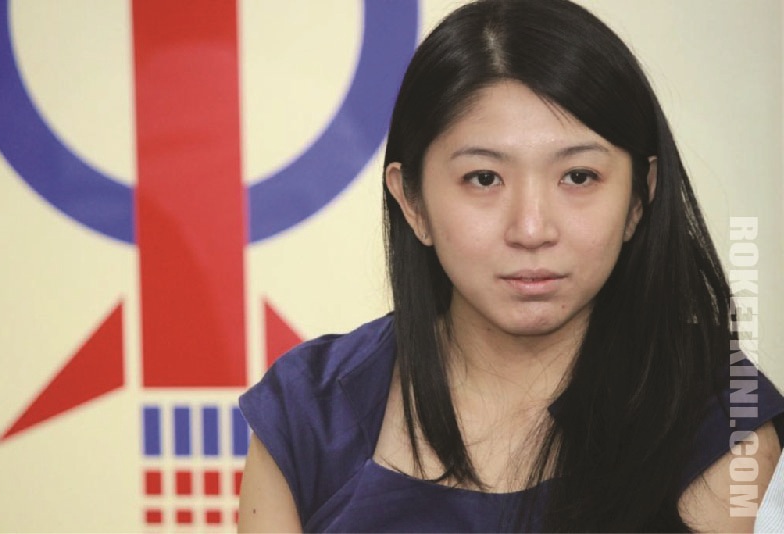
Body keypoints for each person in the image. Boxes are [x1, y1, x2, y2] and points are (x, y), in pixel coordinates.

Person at [237, 0, 784, 531]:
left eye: (578, 177)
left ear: (640, 197)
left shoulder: (720, 417)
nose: (531, 229)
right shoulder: (309, 413)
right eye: (484, 179)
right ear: (413, 202)